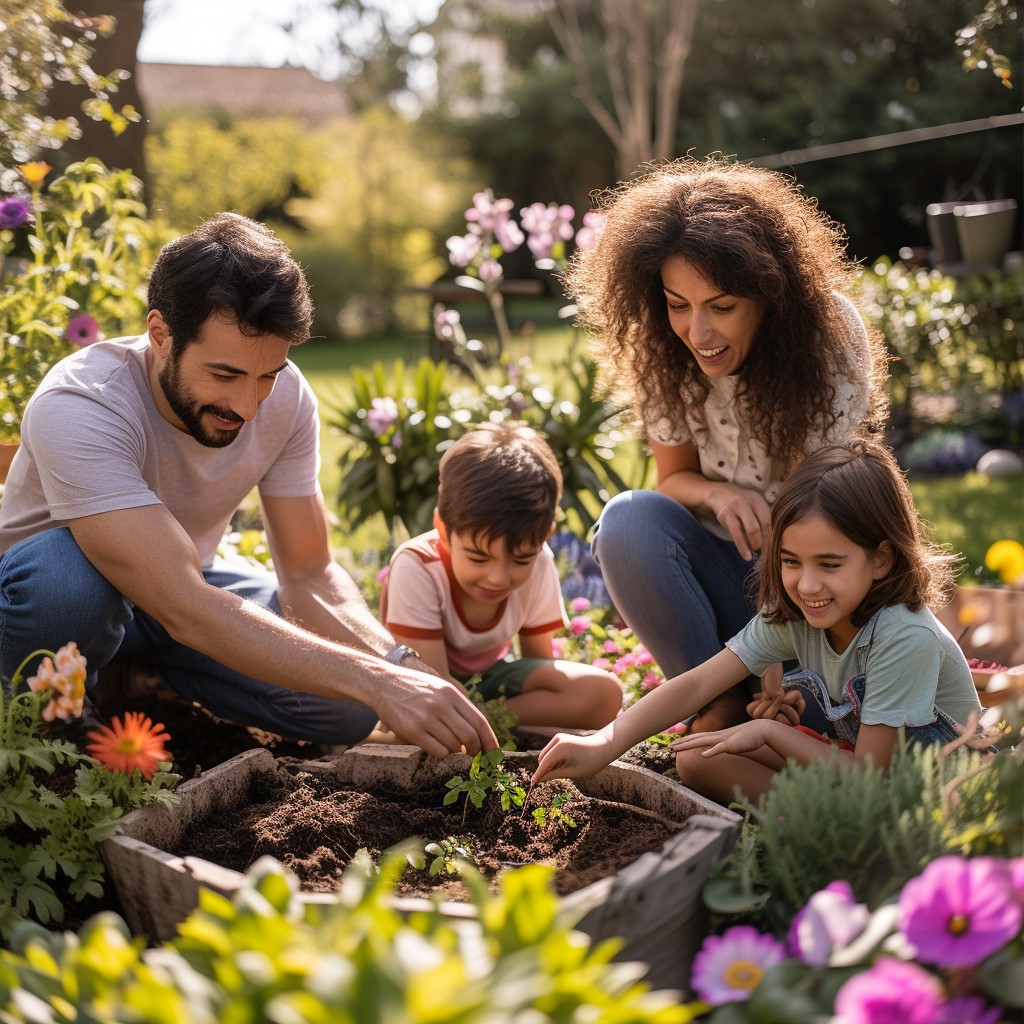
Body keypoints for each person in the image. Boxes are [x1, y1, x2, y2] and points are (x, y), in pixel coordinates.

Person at [0, 212, 497, 760]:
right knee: (71, 587)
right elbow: (184, 603)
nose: (247, 406)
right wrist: (376, 680)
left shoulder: (285, 398)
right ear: (161, 334)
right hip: (64, 600)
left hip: (184, 584)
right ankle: (57, 728)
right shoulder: (82, 405)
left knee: (346, 708)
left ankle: (138, 673)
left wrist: (395, 665)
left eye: (268, 374)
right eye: (225, 375)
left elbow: (308, 572)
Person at [566, 155, 890, 734]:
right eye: (677, 304)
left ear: (771, 295)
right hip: (720, 572)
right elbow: (672, 480)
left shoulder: (828, 337)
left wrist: (770, 646)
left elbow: (813, 518)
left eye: (722, 307)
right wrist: (717, 495)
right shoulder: (661, 350)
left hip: (812, 586)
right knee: (629, 521)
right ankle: (713, 703)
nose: (697, 332)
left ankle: (767, 703)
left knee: (827, 721)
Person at [532, 442, 984, 805]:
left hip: (931, 794)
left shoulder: (903, 635)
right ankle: (813, 825)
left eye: (829, 564)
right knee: (699, 756)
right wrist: (605, 744)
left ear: (881, 559)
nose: (807, 585)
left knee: (743, 751)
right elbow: (695, 686)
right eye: (791, 561)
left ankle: (826, 837)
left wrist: (771, 732)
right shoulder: (800, 615)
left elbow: (870, 778)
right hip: (862, 771)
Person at [380, 421, 624, 731]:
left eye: (520, 559)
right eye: (478, 557)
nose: (497, 578)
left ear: (544, 537)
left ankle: (484, 726)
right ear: (443, 530)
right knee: (434, 713)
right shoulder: (417, 565)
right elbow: (429, 681)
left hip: (493, 682)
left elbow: (540, 666)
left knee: (603, 694)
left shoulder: (539, 560)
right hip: (423, 687)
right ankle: (415, 734)